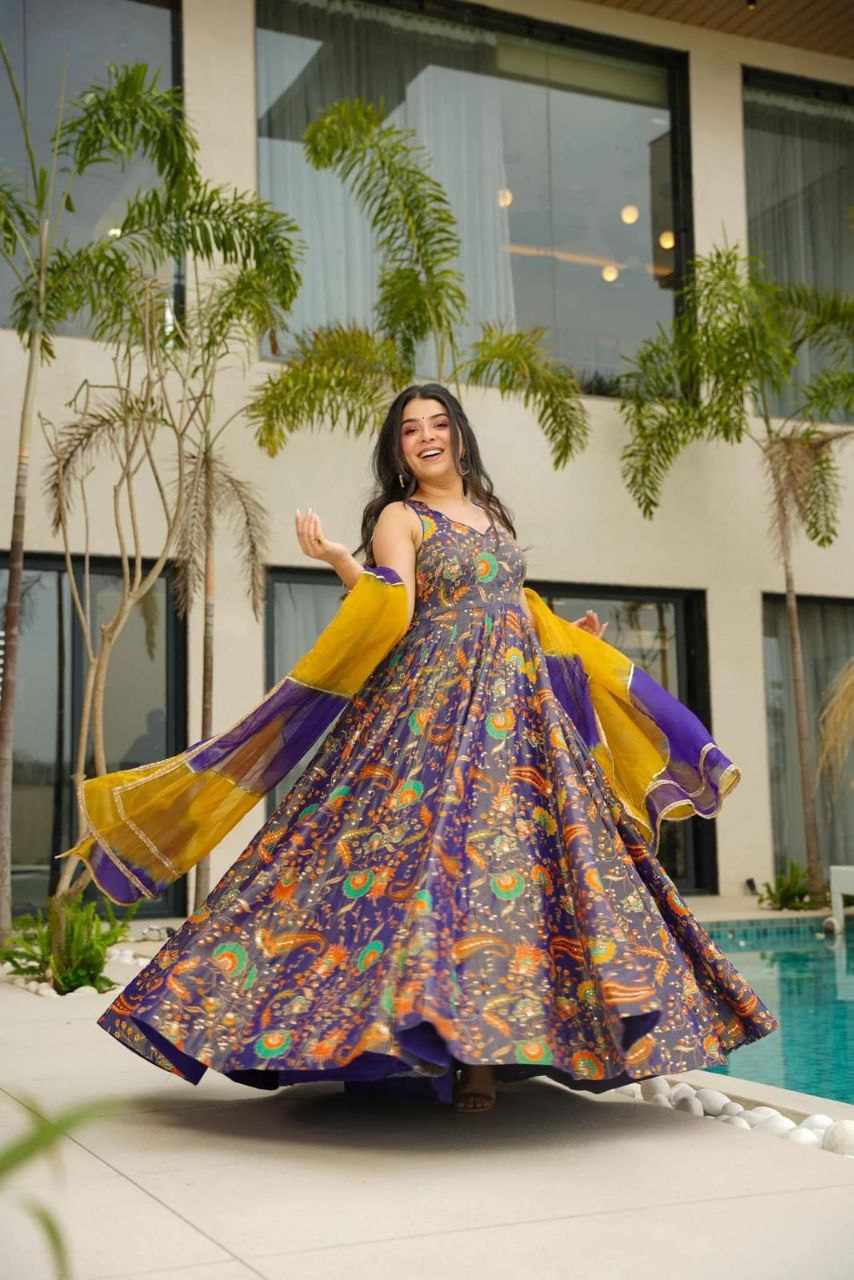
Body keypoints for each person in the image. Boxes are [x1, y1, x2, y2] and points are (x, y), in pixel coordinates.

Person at [96, 383, 780, 1113]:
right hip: (431, 711)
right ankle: (411, 1045)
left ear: (458, 435)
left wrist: (566, 639)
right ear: (398, 449)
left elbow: (516, 606)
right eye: (410, 429)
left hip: (517, 716)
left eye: (437, 424)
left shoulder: (492, 514)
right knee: (408, 868)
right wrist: (340, 561)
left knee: (512, 874)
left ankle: (485, 1062)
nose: (426, 437)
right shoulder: (401, 517)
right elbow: (392, 603)